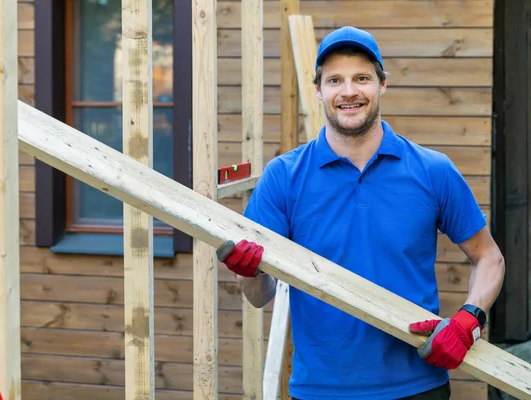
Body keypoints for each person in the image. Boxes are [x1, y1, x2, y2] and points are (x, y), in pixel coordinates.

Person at [216, 26, 505, 399]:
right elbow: (258, 296)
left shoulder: (432, 170)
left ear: (382, 84)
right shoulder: (284, 176)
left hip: (418, 387)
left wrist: (470, 319)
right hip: (320, 390)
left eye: (362, 78)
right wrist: (248, 272)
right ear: (318, 89)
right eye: (335, 79)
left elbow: (489, 257)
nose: (349, 91)